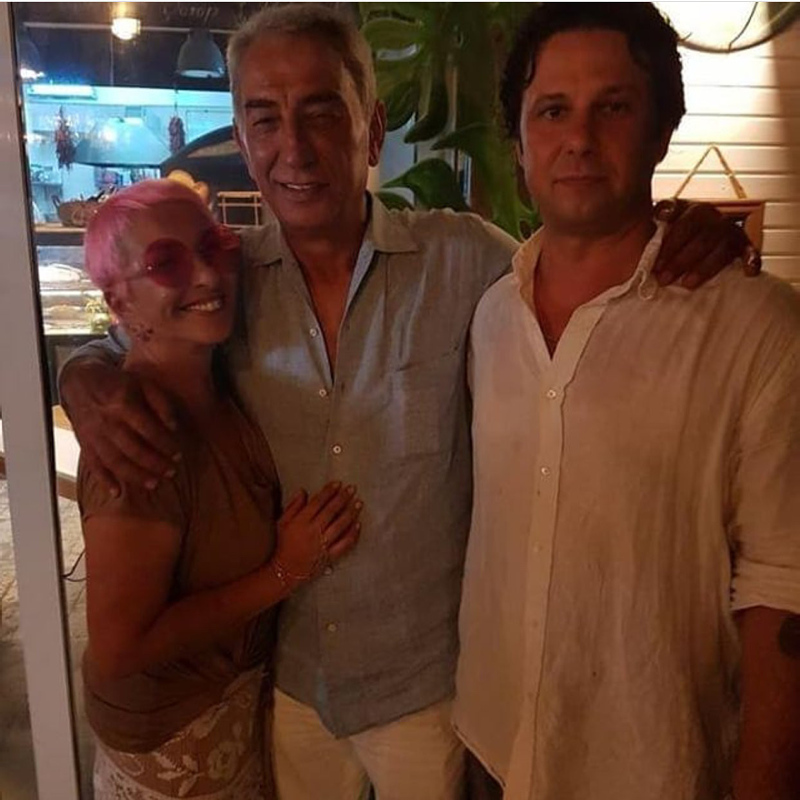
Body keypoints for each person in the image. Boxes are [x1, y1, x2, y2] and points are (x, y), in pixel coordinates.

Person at [60, 6, 758, 799]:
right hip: (295, 686)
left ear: (372, 127)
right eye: (266, 118)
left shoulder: (464, 260)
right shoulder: (226, 280)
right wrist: (83, 378)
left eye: (322, 110)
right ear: (245, 141)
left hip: (424, 690)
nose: (295, 146)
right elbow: (132, 338)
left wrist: (672, 228)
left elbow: (581, 268)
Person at [454, 4, 800, 800]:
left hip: (649, 766)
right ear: (519, 143)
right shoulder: (491, 316)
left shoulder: (757, 329)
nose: (578, 138)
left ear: (661, 130)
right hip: (492, 747)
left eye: (612, 107)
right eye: (553, 111)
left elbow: (783, 588)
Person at [77, 179, 361, 799]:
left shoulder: (220, 379)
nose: (206, 274)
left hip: (234, 717)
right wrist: (283, 572)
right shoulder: (139, 439)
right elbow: (121, 647)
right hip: (171, 740)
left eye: (213, 246)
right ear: (120, 301)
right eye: (166, 263)